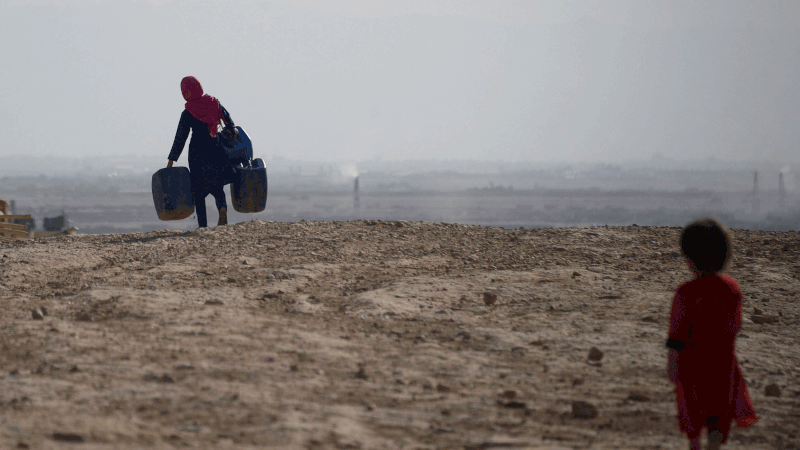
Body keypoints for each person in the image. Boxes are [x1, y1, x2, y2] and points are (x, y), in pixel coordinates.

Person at [666, 218, 757, 450]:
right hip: (723, 364)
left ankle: (695, 445)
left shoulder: (687, 293)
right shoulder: (731, 288)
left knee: (693, 411)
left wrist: (672, 363)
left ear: (689, 259)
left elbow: (677, 333)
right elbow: (734, 326)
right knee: (718, 413)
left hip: (692, 366)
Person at [167, 76, 238, 228]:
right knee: (217, 185)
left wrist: (172, 159)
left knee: (199, 191)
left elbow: (180, 137)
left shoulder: (188, 112)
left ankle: (203, 225)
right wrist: (233, 130)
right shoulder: (213, 102)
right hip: (215, 146)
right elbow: (227, 118)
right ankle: (222, 208)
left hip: (197, 152)